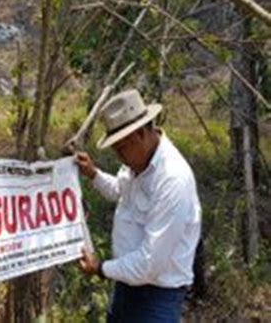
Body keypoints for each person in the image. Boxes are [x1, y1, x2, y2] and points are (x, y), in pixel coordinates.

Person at [75, 89, 201, 323]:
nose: (119, 157)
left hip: (156, 298)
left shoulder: (172, 179)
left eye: (121, 148)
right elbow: (119, 191)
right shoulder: (136, 164)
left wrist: (100, 268)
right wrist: (93, 174)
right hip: (126, 286)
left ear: (141, 133)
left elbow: (150, 264)